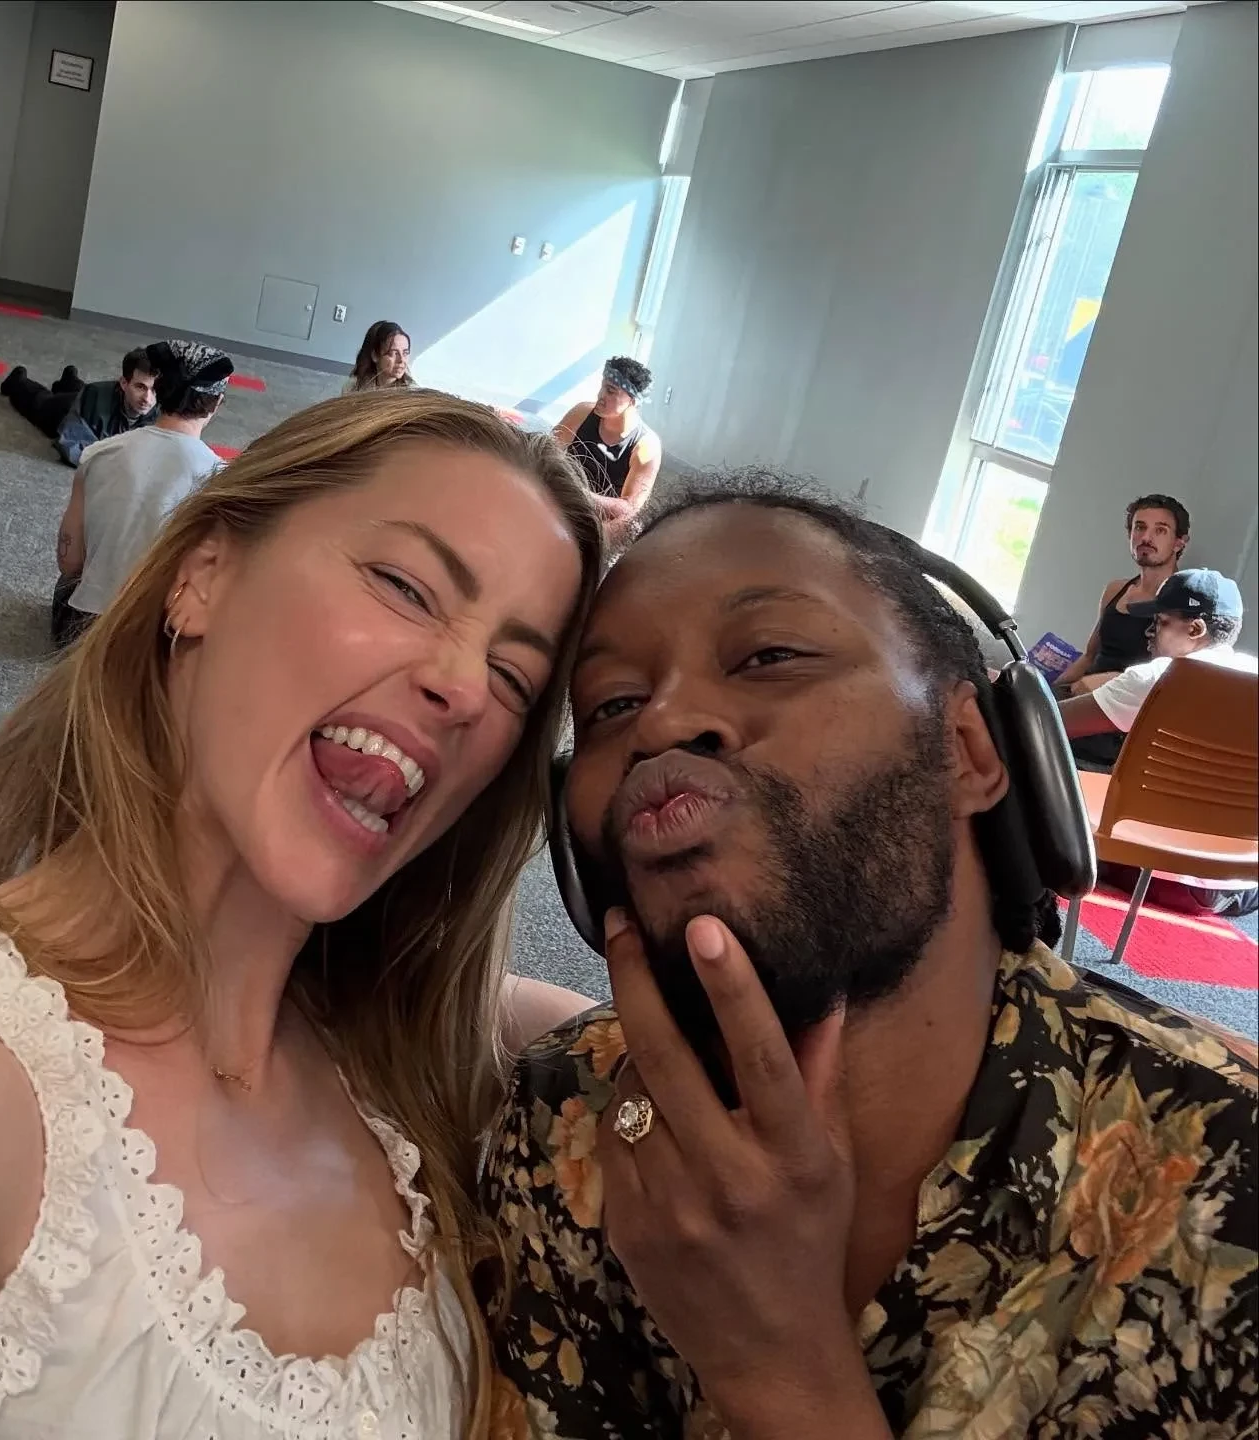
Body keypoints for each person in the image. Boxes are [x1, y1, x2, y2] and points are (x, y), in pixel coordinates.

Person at [0, 388, 604, 1439]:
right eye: (405, 586)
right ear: (202, 576)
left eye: (514, 675)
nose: (465, 687)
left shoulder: (426, 1051)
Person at [483, 478, 1257, 1440]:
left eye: (768, 655)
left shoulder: (1230, 1187)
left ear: (971, 748)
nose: (664, 722)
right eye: (613, 704)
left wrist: (780, 1375)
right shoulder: (563, 1119)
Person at [51, 339, 232, 647]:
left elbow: (69, 563)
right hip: (156, 639)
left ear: (158, 390)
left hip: (83, 630)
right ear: (216, 404)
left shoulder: (99, 453)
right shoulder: (221, 480)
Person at [1060, 567, 1252, 763]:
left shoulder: (1160, 677)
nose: (1149, 632)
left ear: (1195, 629)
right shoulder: (1251, 675)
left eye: (1160, 622)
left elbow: (1049, 722)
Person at [1052, 493, 1191, 693]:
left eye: (1160, 530)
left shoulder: (1181, 605)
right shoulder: (1115, 589)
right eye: (1140, 527)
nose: (1146, 538)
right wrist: (1046, 691)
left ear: (1179, 542)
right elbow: (1089, 657)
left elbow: (1160, 681)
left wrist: (1092, 688)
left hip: (1117, 702)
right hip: (1078, 693)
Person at [554, 357, 662, 546]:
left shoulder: (646, 446)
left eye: (610, 391)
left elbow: (629, 510)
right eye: (602, 386)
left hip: (596, 524)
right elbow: (546, 454)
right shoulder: (582, 413)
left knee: (630, 527)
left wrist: (576, 493)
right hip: (560, 505)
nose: (600, 395)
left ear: (632, 401)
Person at [1, 347, 159, 466]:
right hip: (65, 411)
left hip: (87, 398)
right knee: (41, 403)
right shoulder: (93, 399)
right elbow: (72, 448)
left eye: (154, 389)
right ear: (124, 383)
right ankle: (17, 381)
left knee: (82, 392)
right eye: (140, 387)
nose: (148, 399)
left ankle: (69, 380)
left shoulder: (162, 409)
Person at [347, 321, 413, 391]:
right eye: (393, 353)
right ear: (375, 355)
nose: (401, 360)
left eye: (405, 353)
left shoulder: (412, 392)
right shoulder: (353, 387)